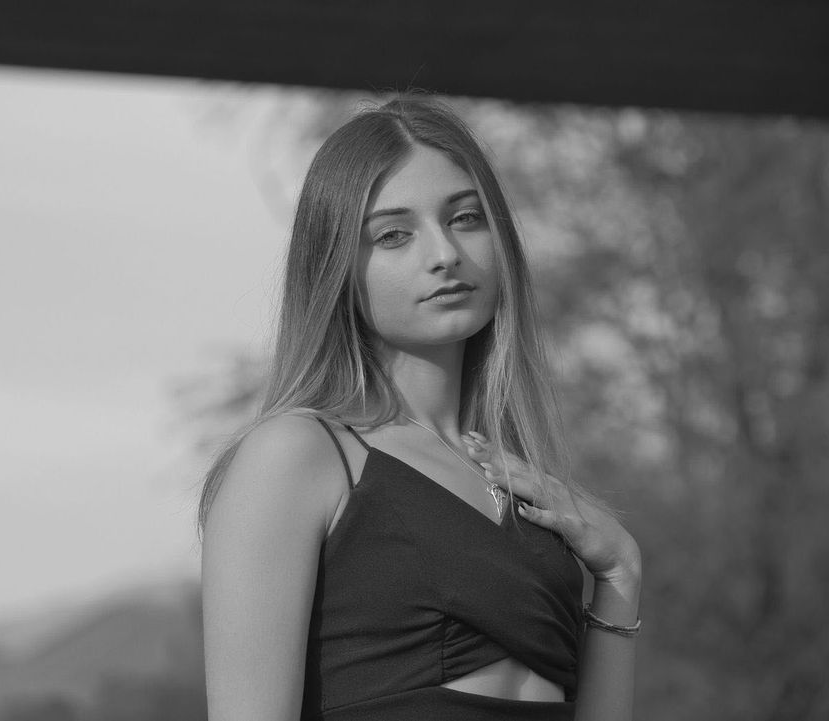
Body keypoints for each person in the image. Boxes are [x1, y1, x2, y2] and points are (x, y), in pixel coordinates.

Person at [198, 96, 641, 721]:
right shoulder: (297, 455)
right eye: (393, 235)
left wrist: (620, 573)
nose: (445, 253)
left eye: (465, 218)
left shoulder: (520, 482)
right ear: (336, 268)